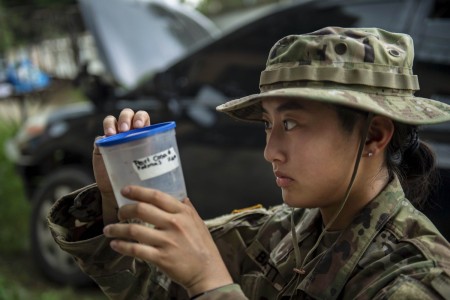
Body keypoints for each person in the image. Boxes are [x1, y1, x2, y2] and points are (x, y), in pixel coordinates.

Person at [48, 27, 450, 299]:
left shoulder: (415, 278)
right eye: (268, 124)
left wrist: (211, 282)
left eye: (291, 123)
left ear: (375, 135)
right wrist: (115, 197)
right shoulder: (277, 232)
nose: (270, 150)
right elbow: (151, 287)